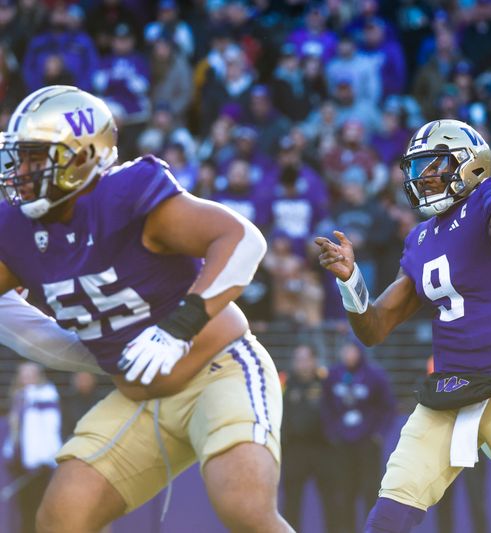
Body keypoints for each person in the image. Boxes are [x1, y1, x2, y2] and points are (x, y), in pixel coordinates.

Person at [0, 86, 291, 532]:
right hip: (137, 397)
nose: (21, 171)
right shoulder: (16, 230)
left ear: (82, 156)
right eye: (18, 157)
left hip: (219, 369)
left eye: (36, 157)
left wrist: (180, 326)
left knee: (244, 507)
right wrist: (79, 351)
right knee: (61, 517)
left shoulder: (125, 195)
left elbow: (242, 239)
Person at [316, 77, 491, 533]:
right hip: (450, 391)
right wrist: (350, 280)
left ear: (469, 167)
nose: (422, 177)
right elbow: (374, 328)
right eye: (418, 168)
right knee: (389, 515)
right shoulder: (419, 238)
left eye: (433, 166)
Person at [321, 340, 396, 533]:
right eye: (345, 350)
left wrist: (379, 434)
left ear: (360, 352)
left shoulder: (375, 375)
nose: (348, 354)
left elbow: (388, 408)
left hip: (367, 444)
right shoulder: (333, 375)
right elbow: (325, 406)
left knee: (370, 492)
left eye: (352, 350)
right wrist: (332, 432)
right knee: (344, 493)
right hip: (342, 445)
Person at [280, 344, 337, 532]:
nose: (302, 364)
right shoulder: (284, 383)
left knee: (332, 501)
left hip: (323, 449)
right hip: (295, 450)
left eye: (306, 359)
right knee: (292, 503)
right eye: (298, 359)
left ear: (314, 361)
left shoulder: (326, 382)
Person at [2, 362, 62, 533]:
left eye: (30, 374)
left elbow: (51, 428)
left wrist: (46, 458)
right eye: (23, 374)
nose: (26, 377)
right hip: (19, 461)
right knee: (23, 508)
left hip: (38, 465)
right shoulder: (19, 396)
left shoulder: (46, 395)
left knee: (36, 507)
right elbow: (16, 429)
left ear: (38, 375)